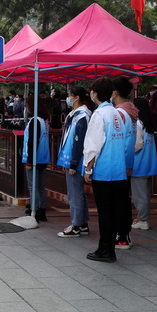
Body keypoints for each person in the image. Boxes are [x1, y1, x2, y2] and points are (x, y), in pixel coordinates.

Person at [83, 77, 127, 263]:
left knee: (105, 211)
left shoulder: (99, 114)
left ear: (95, 93)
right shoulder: (117, 113)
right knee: (115, 209)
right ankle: (110, 247)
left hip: (104, 170)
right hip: (119, 169)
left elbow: (94, 144)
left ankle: (105, 249)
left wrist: (88, 169)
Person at [56, 86, 92, 237]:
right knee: (78, 193)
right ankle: (82, 224)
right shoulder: (75, 114)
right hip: (72, 160)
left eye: (70, 95)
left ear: (77, 98)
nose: (68, 99)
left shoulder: (82, 116)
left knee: (75, 194)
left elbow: (79, 141)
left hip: (75, 161)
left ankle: (76, 225)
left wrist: (73, 163)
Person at [112, 76, 138, 249]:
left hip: (118, 162)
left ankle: (122, 234)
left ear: (115, 92)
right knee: (122, 198)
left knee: (118, 200)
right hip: (127, 161)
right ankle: (123, 233)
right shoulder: (131, 110)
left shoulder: (119, 113)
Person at [131, 97, 157, 230]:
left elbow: (137, 145)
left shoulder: (137, 123)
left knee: (139, 195)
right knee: (145, 194)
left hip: (139, 164)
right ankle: (142, 217)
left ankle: (143, 219)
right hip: (149, 162)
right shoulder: (148, 123)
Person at [22, 94, 51, 222]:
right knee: (40, 185)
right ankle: (41, 209)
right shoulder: (43, 121)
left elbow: (32, 142)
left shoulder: (35, 121)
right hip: (42, 158)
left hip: (34, 159)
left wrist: (29, 160)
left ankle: (35, 209)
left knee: (33, 186)